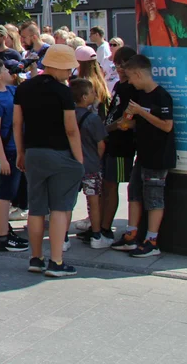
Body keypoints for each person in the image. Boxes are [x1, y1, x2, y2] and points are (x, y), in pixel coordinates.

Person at [14, 44, 84, 278]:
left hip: (33, 152)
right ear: (62, 67)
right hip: (61, 153)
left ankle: (36, 258)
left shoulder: (24, 88)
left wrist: (21, 152)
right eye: (69, 69)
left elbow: (17, 123)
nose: (70, 73)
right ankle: (56, 261)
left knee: (36, 208)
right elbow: (71, 129)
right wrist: (80, 160)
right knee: (60, 208)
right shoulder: (63, 92)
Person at [110, 54, 174, 258]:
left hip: (158, 154)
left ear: (138, 74)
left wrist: (141, 112)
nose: (129, 82)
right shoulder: (140, 96)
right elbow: (139, 122)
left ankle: (152, 240)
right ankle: (132, 234)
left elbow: (166, 125)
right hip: (143, 153)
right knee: (134, 191)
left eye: (131, 77)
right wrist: (128, 121)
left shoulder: (161, 96)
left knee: (154, 197)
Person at [0, 57, 29, 253]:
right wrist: (2, 158)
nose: (8, 72)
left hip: (17, 149)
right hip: (8, 152)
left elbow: (25, 85)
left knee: (10, 193)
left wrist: (29, 65)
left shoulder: (11, 90)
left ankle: (6, 232)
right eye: (4, 69)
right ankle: (2, 237)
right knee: (4, 195)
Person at [100, 46, 139, 241]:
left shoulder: (132, 89)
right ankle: (100, 225)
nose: (119, 68)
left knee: (112, 184)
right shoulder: (119, 86)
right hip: (110, 141)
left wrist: (105, 129)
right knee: (105, 185)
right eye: (117, 64)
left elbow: (127, 121)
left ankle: (106, 227)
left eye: (124, 65)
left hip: (121, 144)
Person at [69, 78, 109, 249]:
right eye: (92, 92)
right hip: (91, 165)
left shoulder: (68, 115)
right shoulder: (93, 119)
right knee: (94, 200)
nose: (94, 95)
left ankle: (62, 237)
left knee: (67, 202)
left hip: (71, 164)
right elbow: (101, 144)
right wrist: (97, 158)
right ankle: (96, 235)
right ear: (85, 97)